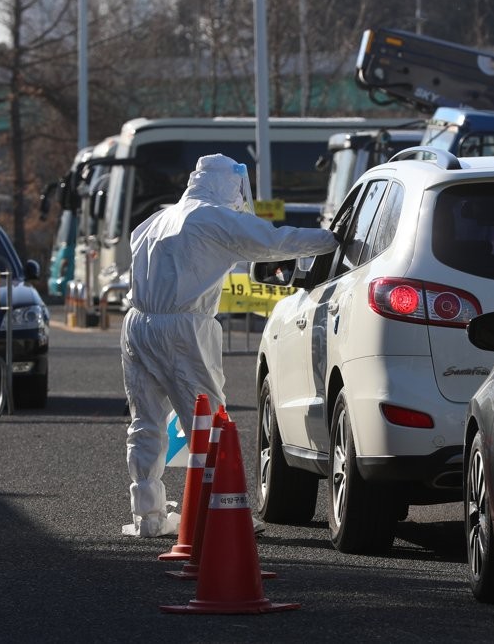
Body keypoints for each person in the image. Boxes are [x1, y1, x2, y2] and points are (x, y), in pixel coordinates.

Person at [120, 153, 339, 537]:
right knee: (207, 422)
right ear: (229, 185)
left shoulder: (153, 221)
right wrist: (332, 240)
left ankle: (148, 516)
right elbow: (274, 242)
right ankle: (222, 512)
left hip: (137, 324)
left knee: (146, 423)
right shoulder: (211, 218)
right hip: (183, 329)